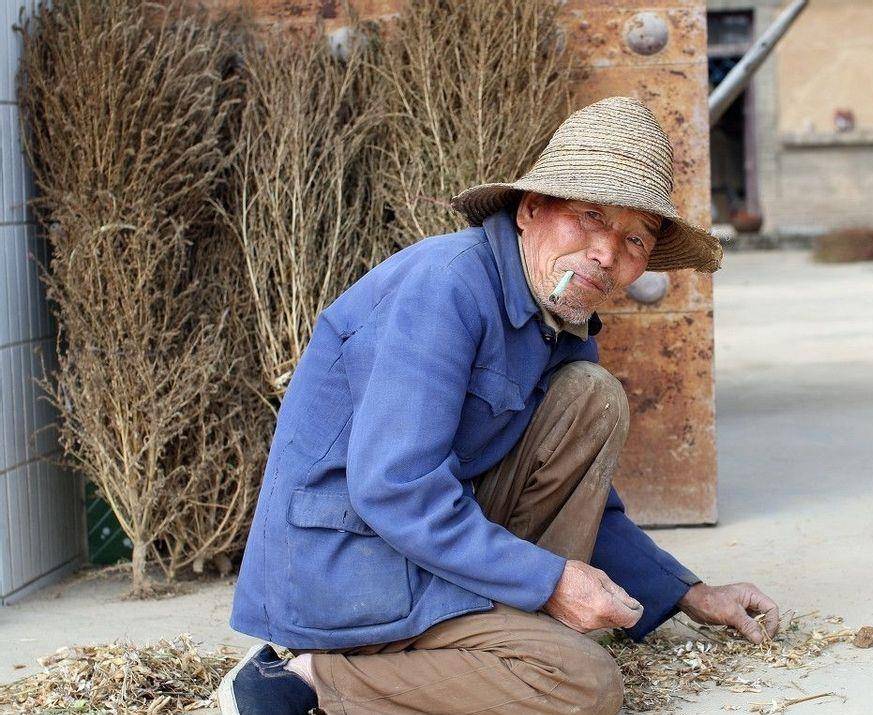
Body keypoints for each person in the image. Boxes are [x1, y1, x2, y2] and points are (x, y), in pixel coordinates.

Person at [218, 96, 779, 715]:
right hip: (351, 566)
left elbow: (587, 500)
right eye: (590, 216)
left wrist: (689, 594)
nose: (607, 254)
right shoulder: (447, 287)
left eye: (635, 240)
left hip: (420, 549)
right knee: (584, 687)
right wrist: (550, 581)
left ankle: (502, 637)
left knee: (592, 399)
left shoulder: (558, 324)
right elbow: (395, 488)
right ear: (530, 210)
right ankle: (304, 680)